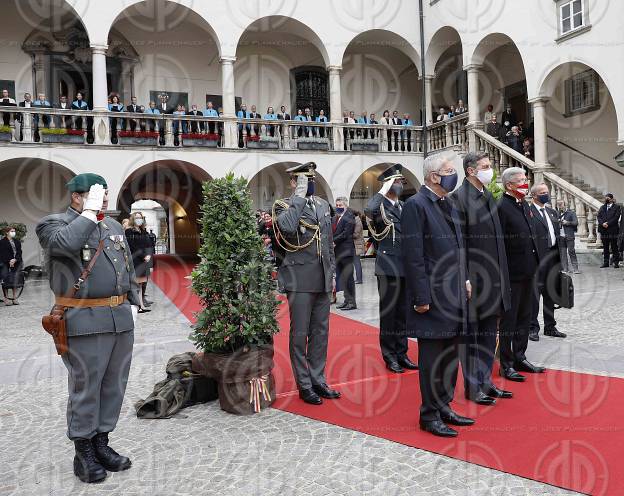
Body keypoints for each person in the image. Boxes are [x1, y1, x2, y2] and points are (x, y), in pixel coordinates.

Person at [36, 173, 140, 483]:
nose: (104, 200)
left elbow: (127, 265)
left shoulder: (114, 226)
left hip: (119, 318)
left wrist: (133, 303)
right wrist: (88, 214)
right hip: (83, 320)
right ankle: (83, 451)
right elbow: (65, 244)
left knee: (113, 385)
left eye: (105, 194)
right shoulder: (54, 224)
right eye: (95, 195)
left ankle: (101, 442)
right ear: (76, 197)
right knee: (86, 388)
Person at [402, 152, 474, 438]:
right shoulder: (415, 205)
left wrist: (465, 278)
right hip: (431, 296)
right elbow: (413, 256)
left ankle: (445, 406)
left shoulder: (448, 203)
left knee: (450, 355)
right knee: (433, 358)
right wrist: (421, 297)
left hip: (454, 292)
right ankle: (429, 415)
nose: (452, 174)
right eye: (448, 170)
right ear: (433, 176)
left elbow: (459, 248)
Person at [272, 162, 340, 405]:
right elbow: (289, 228)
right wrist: (299, 194)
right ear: (293, 182)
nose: (309, 182)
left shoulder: (323, 205)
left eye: (310, 178)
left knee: (320, 333)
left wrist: (331, 276)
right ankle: (304, 384)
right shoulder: (284, 205)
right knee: (300, 334)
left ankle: (318, 379)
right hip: (299, 279)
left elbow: (329, 244)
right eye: (302, 178)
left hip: (321, 277)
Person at [451, 152, 512, 405]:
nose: (490, 171)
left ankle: (485, 381)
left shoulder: (487, 195)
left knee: (489, 334)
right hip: (476, 281)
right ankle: (473, 386)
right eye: (485, 167)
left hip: (495, 278)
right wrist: (465, 279)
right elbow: (459, 245)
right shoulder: (459, 199)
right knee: (473, 336)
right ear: (471, 171)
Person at [365, 164, 418, 373]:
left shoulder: (404, 206)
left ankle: (402, 353)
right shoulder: (379, 206)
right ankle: (390, 356)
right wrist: (381, 190)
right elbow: (368, 211)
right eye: (396, 181)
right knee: (389, 314)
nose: (399, 184)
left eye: (400, 181)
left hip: (405, 265)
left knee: (403, 313)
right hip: (387, 267)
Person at [497, 167, 545, 382]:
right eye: (522, 181)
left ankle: (520, 356)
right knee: (510, 319)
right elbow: (500, 245)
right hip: (512, 274)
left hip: (529, 271)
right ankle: (506, 363)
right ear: (509, 185)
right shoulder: (501, 207)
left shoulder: (523, 204)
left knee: (525, 317)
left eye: (526, 180)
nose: (526, 184)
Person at [529, 183, 566, 341]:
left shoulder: (552, 212)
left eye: (547, 192)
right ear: (535, 195)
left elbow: (557, 237)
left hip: (552, 258)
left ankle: (550, 326)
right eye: (543, 192)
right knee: (534, 295)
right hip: (536, 259)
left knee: (550, 293)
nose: (547, 194)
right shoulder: (528, 212)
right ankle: (532, 328)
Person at [125, 212, 153, 311]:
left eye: (140, 217)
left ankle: (141, 305)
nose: (139, 219)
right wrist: (143, 256)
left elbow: (149, 244)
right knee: (135, 284)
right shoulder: (129, 231)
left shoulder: (143, 231)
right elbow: (131, 246)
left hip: (144, 260)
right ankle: (137, 305)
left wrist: (149, 254)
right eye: (137, 217)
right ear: (133, 219)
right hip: (135, 260)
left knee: (141, 284)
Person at [333, 197, 357, 310]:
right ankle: (346, 300)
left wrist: (333, 241)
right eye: (337, 205)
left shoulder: (349, 216)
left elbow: (346, 234)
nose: (338, 207)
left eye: (340, 205)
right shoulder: (337, 217)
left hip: (346, 252)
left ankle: (352, 302)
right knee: (343, 278)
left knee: (349, 278)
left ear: (345, 205)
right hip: (338, 251)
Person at [0, 226, 23, 305]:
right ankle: (6, 298)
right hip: (5, 263)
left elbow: (19, 252)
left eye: (14, 231)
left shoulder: (17, 241)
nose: (14, 233)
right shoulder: (2, 242)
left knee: (14, 280)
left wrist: (15, 259)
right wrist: (10, 260)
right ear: (7, 232)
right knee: (5, 280)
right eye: (12, 231)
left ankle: (14, 298)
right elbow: (2, 254)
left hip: (16, 263)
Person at [597, 193, 621, 268]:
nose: (606, 200)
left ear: (611, 199)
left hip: (612, 230)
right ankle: (606, 263)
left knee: (614, 247)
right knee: (605, 247)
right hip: (604, 230)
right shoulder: (602, 207)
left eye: (608, 198)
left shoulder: (617, 207)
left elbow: (616, 217)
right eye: (605, 198)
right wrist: (602, 223)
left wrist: (608, 223)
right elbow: (599, 216)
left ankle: (616, 262)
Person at [557, 199, 579, 273]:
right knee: (563, 254)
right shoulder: (557, 213)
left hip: (569, 235)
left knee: (571, 251)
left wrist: (567, 222)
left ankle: (576, 269)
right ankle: (565, 269)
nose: (559, 206)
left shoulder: (571, 213)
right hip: (561, 237)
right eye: (558, 204)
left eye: (561, 204)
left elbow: (576, 222)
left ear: (565, 204)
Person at [352, 210, 364, 284]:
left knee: (357, 263)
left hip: (356, 245)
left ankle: (359, 279)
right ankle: (358, 279)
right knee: (356, 262)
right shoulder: (356, 221)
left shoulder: (358, 222)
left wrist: (349, 234)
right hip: (356, 245)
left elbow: (356, 235)